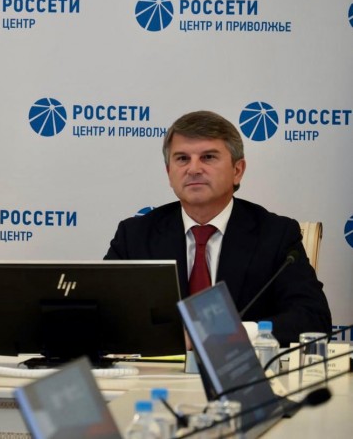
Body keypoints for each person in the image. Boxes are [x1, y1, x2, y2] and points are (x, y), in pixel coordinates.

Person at [104, 110, 331, 346]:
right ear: (169, 173)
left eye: (208, 157)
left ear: (237, 171)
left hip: (242, 366)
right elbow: (103, 315)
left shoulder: (276, 235)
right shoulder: (135, 235)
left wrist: (233, 333)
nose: (193, 169)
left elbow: (313, 320)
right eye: (182, 159)